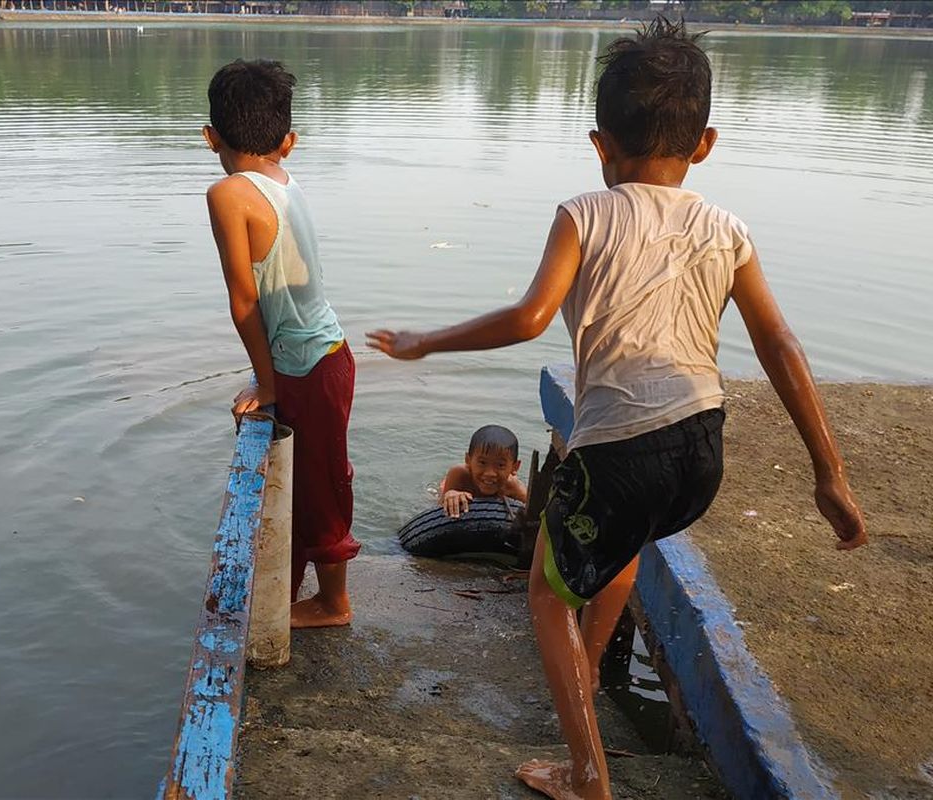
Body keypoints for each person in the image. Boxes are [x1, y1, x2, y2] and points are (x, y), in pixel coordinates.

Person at [367, 18, 867, 800]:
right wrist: (829, 473)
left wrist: (428, 340)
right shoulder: (727, 228)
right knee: (625, 548)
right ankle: (587, 694)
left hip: (621, 446)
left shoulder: (584, 213)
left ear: (600, 144)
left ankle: (586, 775)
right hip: (702, 443)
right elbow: (782, 345)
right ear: (704, 145)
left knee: (543, 591)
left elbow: (532, 318)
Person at [203, 59, 360, 629]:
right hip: (326, 356)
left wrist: (266, 381)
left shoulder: (227, 194)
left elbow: (245, 301)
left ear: (210, 136)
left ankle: (333, 603)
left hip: (306, 368)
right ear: (288, 143)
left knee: (316, 485)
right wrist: (269, 377)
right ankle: (293, 589)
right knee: (312, 476)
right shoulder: (284, 181)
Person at [440, 425, 527, 518]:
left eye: (500, 465)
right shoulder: (459, 475)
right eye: (482, 462)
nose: (490, 473)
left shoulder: (514, 488)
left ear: (515, 467)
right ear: (468, 460)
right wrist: (451, 494)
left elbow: (534, 514)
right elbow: (439, 510)